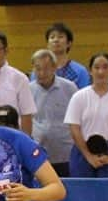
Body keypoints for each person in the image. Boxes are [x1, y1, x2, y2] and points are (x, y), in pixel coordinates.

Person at [64, 52, 108, 178]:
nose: (101, 72)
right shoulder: (79, 97)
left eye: (105, 67)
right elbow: (74, 128)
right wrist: (88, 156)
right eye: (96, 67)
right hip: (83, 151)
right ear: (90, 71)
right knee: (82, 194)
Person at [29, 49, 78, 178]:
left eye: (46, 68)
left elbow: (77, 118)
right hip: (38, 153)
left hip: (65, 152)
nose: (41, 73)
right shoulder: (28, 90)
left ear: (54, 67)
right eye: (37, 68)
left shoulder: (70, 88)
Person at [37, 23, 90, 89]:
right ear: (47, 44)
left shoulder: (80, 71)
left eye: (60, 37)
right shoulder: (39, 71)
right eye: (52, 37)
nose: (56, 40)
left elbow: (84, 96)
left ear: (69, 43)